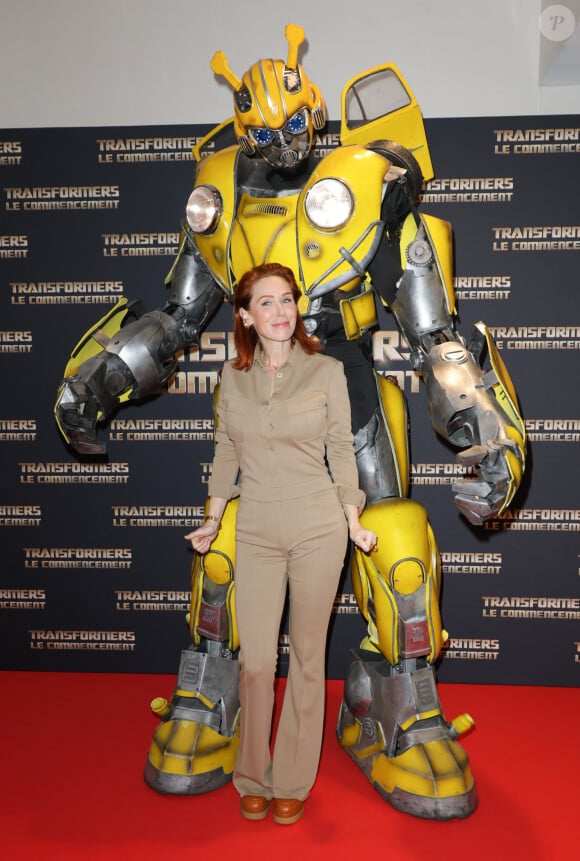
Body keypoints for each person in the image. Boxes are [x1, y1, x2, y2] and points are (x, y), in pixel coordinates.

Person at [185, 262, 377, 824]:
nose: (280, 311)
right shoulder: (232, 377)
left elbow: (341, 450)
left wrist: (353, 518)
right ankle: (252, 774)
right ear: (244, 315)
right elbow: (225, 451)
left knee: (308, 659)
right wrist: (213, 519)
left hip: (319, 525)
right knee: (256, 661)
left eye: (287, 300)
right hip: (258, 527)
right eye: (265, 303)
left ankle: (292, 777)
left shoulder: (325, 371)